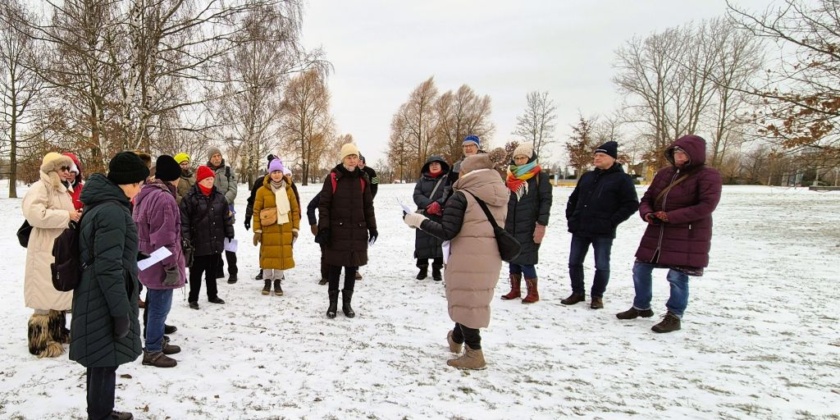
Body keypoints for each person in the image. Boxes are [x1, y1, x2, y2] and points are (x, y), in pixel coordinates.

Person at [402, 154, 508, 370]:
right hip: (490, 255)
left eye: (461, 171)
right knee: (470, 299)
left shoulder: (463, 196)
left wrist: (418, 220)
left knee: (465, 300)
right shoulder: (500, 193)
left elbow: (447, 231)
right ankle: (456, 339)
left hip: (466, 254)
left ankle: (474, 354)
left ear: (468, 173)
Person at [69, 151, 148, 420]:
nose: (139, 189)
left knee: (100, 360)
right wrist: (119, 311)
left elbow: (104, 252)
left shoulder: (103, 204)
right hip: (104, 296)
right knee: (104, 361)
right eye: (137, 183)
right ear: (125, 182)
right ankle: (100, 415)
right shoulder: (113, 210)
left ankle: (101, 411)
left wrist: (133, 255)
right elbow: (107, 266)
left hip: (95, 291)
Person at [616, 135, 722, 333]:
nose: (678, 156)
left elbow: (706, 205)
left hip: (687, 234)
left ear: (694, 154)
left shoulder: (708, 175)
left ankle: (674, 315)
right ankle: (642, 306)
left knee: (677, 276)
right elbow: (648, 197)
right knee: (640, 268)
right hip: (657, 232)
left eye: (683, 153)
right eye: (675, 152)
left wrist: (671, 216)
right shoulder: (665, 173)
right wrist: (647, 213)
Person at [563, 141, 639, 309]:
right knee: (574, 262)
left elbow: (631, 204)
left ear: (612, 158)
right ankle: (577, 292)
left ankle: (597, 296)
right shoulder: (587, 176)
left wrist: (611, 221)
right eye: (596, 155)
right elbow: (573, 199)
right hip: (580, 227)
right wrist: (572, 217)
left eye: (601, 155)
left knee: (602, 265)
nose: (597, 158)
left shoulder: (622, 179)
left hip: (603, 231)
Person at [22, 152, 80, 358]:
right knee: (43, 292)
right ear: (51, 170)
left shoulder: (61, 189)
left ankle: (57, 331)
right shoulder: (40, 188)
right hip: (44, 247)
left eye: (69, 169)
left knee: (56, 291)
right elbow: (35, 215)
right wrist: (67, 216)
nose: (67, 173)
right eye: (63, 169)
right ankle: (39, 341)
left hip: (59, 247)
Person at [133, 155, 186, 368]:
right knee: (159, 305)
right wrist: (171, 266)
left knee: (155, 301)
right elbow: (165, 238)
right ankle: (153, 350)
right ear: (174, 178)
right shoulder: (164, 199)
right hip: (159, 260)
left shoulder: (146, 193)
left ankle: (155, 340)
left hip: (147, 257)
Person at [316, 143, 377, 319]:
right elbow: (324, 205)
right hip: (337, 231)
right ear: (343, 159)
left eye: (355, 156)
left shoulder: (363, 179)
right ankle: (333, 303)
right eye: (349, 157)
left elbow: (368, 206)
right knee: (334, 268)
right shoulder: (333, 178)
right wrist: (324, 228)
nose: (352, 160)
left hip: (357, 231)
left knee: (351, 268)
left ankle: (347, 303)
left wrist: (372, 227)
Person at [500, 143, 553, 304]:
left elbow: (546, 201)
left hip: (529, 223)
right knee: (513, 256)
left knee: (526, 258)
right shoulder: (510, 177)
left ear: (530, 159)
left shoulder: (539, 177)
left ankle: (533, 291)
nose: (519, 161)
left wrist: (541, 223)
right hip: (511, 223)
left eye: (523, 157)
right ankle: (515, 289)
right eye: (516, 158)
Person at [180, 165, 234, 309]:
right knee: (196, 272)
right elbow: (184, 221)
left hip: (215, 239)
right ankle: (193, 298)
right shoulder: (190, 198)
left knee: (212, 270)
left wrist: (229, 232)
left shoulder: (219, 197)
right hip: (198, 241)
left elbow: (226, 217)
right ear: (199, 181)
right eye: (207, 179)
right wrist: (186, 238)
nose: (210, 181)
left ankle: (212, 295)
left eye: (211, 179)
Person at [245, 154, 300, 280]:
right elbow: (256, 210)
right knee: (268, 255)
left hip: (284, 228)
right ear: (269, 173)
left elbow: (295, 210)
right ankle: (267, 281)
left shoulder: (289, 190)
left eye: (279, 172)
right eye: (274, 172)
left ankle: (278, 282)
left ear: (283, 173)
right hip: (268, 229)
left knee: (282, 255)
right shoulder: (261, 190)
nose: (276, 174)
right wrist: (257, 230)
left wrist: (295, 228)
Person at [412, 155, 450, 281]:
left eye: (437, 164)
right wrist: (429, 205)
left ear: (441, 166)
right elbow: (417, 195)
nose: (434, 166)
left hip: (441, 216)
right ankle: (422, 268)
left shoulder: (447, 180)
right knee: (422, 243)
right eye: (431, 164)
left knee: (439, 243)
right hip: (424, 215)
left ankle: (436, 269)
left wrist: (438, 204)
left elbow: (449, 194)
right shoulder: (422, 180)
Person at [206, 146, 239, 284]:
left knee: (229, 240)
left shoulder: (228, 170)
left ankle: (233, 271)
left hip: (226, 211)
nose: (217, 158)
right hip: (210, 212)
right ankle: (218, 269)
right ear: (209, 158)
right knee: (214, 241)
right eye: (214, 156)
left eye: (218, 155)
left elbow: (233, 189)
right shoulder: (205, 172)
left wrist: (222, 202)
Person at [306, 192, 329, 285]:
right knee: (325, 253)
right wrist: (313, 223)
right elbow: (311, 207)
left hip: (343, 228)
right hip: (325, 228)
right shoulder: (324, 193)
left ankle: (354, 270)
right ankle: (325, 276)